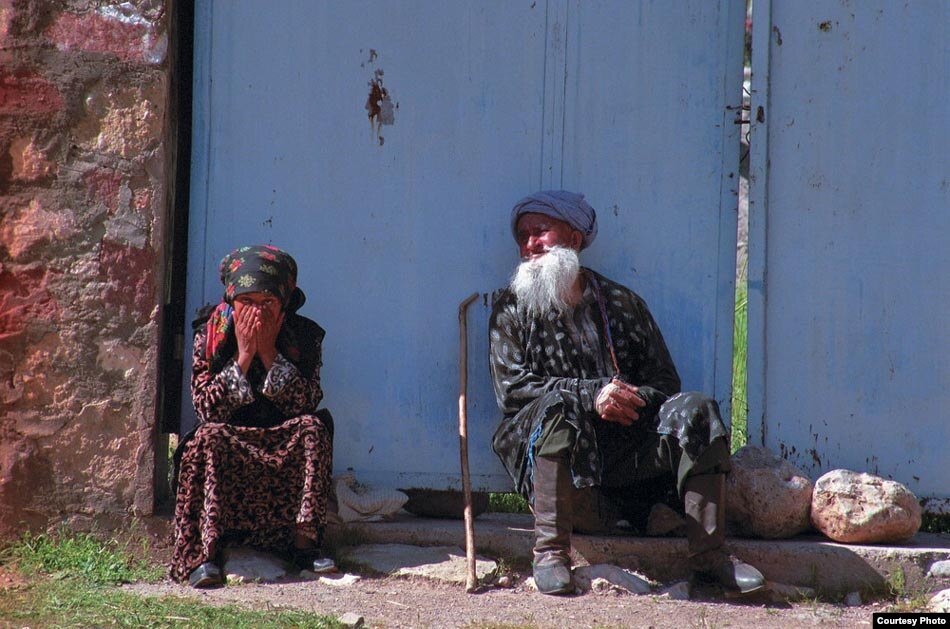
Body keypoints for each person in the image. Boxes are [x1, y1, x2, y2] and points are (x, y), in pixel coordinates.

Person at [489, 191, 765, 596]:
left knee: (697, 409)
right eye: (522, 236)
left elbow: (664, 382)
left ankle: (710, 558)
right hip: (556, 450)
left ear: (574, 239)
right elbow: (512, 391)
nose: (529, 244)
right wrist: (591, 396)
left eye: (540, 232)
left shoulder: (620, 303)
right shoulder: (510, 310)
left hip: (623, 448)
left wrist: (628, 401)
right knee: (558, 412)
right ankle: (550, 554)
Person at [170, 244, 336, 587]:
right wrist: (244, 356)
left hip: (280, 438)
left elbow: (305, 402)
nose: (256, 313)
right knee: (207, 437)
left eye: (267, 303)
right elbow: (206, 409)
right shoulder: (210, 334)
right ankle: (206, 554)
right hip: (230, 439)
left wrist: (270, 353)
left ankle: (304, 545)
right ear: (232, 301)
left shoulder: (305, 337)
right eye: (247, 302)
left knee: (313, 428)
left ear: (284, 304)